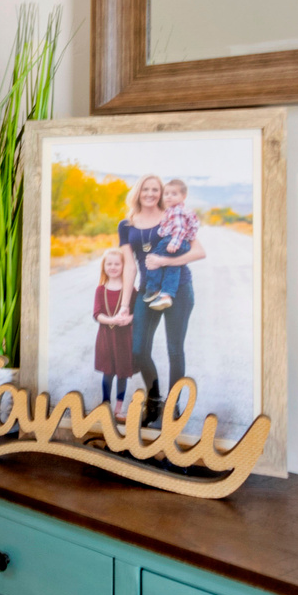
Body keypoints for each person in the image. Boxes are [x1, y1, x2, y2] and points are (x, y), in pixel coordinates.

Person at [118, 174, 207, 428]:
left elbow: (199, 252)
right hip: (147, 291)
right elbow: (129, 268)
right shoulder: (126, 225)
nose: (150, 194)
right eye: (146, 189)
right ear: (138, 191)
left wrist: (164, 261)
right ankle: (155, 398)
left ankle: (174, 405)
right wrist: (125, 305)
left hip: (179, 290)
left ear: (161, 193)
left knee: (174, 349)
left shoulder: (171, 215)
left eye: (155, 189)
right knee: (138, 350)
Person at [142, 179, 200, 311]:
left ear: (183, 196)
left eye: (174, 194)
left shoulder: (176, 210)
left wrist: (174, 242)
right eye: (166, 193)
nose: (168, 196)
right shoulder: (177, 210)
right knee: (172, 267)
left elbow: (179, 228)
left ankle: (153, 288)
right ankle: (166, 295)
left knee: (154, 259)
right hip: (180, 242)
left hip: (172, 240)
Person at [93, 246, 136, 418]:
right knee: (108, 371)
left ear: (124, 267)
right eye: (109, 264)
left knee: (122, 372)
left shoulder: (130, 290)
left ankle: (118, 408)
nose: (112, 267)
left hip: (124, 338)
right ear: (104, 267)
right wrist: (112, 321)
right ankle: (105, 404)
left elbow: (137, 312)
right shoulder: (100, 290)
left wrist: (129, 319)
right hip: (105, 337)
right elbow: (97, 314)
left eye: (117, 264)